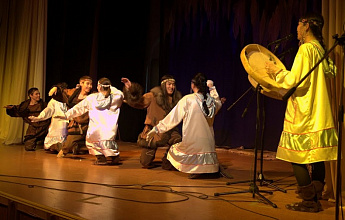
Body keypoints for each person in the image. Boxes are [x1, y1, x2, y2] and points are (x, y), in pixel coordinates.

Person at [265, 12, 338, 212]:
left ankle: (308, 201)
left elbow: (295, 80)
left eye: (298, 25)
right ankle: (315, 193)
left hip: (304, 110)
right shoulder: (321, 50)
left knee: (294, 155)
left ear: (306, 25)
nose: (296, 29)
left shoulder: (306, 49)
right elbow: (332, 71)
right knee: (316, 154)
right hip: (319, 110)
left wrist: (275, 72)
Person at [146, 73, 222, 178]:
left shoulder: (188, 100)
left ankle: (197, 168)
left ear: (193, 85)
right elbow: (218, 103)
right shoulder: (211, 101)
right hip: (208, 144)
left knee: (174, 150)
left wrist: (157, 128)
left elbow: (173, 117)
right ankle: (208, 168)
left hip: (193, 143)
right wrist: (212, 88)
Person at [56, 77, 123, 165]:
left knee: (93, 143)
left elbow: (78, 108)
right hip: (108, 130)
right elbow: (120, 93)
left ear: (99, 86)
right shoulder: (116, 98)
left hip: (95, 130)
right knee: (108, 143)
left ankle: (100, 158)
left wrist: (66, 115)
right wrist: (111, 88)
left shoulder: (92, 98)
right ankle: (114, 157)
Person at [121, 75, 182, 169]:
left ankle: (168, 160)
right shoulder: (153, 96)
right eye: (169, 84)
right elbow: (138, 101)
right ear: (163, 85)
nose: (171, 87)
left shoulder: (176, 99)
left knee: (177, 141)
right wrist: (131, 89)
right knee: (145, 162)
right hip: (153, 131)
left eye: (173, 84)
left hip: (170, 131)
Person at [53, 76, 93, 156]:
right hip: (77, 125)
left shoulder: (92, 97)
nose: (90, 86)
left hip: (89, 125)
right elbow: (62, 92)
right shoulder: (74, 94)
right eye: (87, 84)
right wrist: (56, 88)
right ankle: (56, 147)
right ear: (81, 83)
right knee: (67, 146)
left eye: (91, 84)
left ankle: (77, 147)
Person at [28, 83, 69, 152]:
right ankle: (56, 147)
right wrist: (39, 117)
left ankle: (63, 146)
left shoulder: (67, 100)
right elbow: (48, 110)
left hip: (65, 122)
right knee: (55, 137)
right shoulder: (54, 101)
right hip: (57, 123)